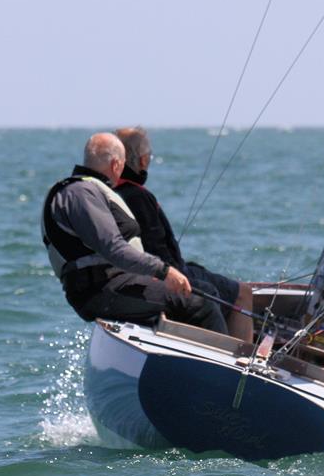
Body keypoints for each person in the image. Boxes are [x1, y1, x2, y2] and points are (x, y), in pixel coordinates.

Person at [41, 132, 227, 334]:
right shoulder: (81, 194)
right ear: (116, 165)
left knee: (202, 291)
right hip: (100, 291)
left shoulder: (89, 190)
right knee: (201, 302)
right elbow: (114, 249)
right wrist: (163, 270)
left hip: (114, 284)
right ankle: (224, 363)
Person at [113, 127, 254, 343]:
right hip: (166, 275)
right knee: (243, 293)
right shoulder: (139, 197)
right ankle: (240, 359)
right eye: (148, 155)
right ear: (142, 160)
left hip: (135, 279)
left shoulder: (111, 194)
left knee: (202, 273)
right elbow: (158, 253)